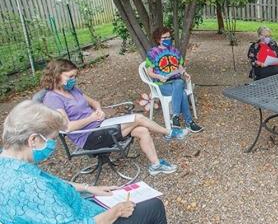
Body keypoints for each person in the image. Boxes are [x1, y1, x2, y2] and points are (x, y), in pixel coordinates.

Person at [0, 101, 193, 224]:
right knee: (153, 207)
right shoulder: (30, 186)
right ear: (33, 140)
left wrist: (89, 189)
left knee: (123, 200)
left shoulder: (8, 163)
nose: (53, 145)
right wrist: (116, 211)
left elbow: (53, 185)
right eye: (52, 139)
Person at [41, 59, 181, 176]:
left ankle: (155, 165)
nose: (74, 80)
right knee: (137, 118)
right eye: (70, 77)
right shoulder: (53, 99)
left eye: (75, 76)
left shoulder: (72, 89)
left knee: (142, 130)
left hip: (100, 126)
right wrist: (91, 118)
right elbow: (67, 127)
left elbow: (95, 103)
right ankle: (169, 133)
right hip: (88, 137)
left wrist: (99, 111)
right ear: (57, 75)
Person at [146, 27, 203, 133]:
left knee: (180, 82)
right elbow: (149, 72)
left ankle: (175, 117)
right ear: (158, 39)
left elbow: (179, 67)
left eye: (169, 37)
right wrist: (159, 77)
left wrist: (184, 73)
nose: (168, 39)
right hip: (162, 84)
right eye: (164, 37)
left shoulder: (175, 51)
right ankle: (189, 123)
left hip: (175, 82)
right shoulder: (153, 53)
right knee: (182, 92)